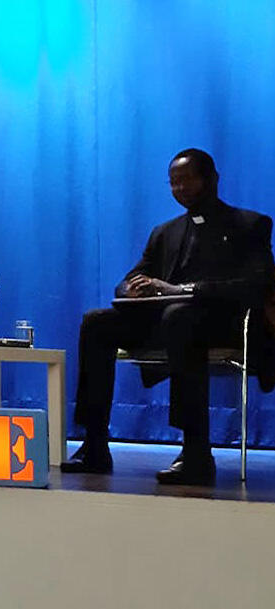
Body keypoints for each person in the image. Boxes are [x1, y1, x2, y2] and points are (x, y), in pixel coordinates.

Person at [62, 148, 275, 485]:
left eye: (187, 180)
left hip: (222, 324)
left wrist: (180, 289)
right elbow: (129, 279)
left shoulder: (249, 224)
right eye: (173, 183)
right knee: (97, 322)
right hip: (167, 322)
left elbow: (256, 284)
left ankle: (196, 452)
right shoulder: (165, 231)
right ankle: (94, 444)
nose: (179, 188)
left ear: (211, 179)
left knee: (179, 317)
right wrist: (133, 290)